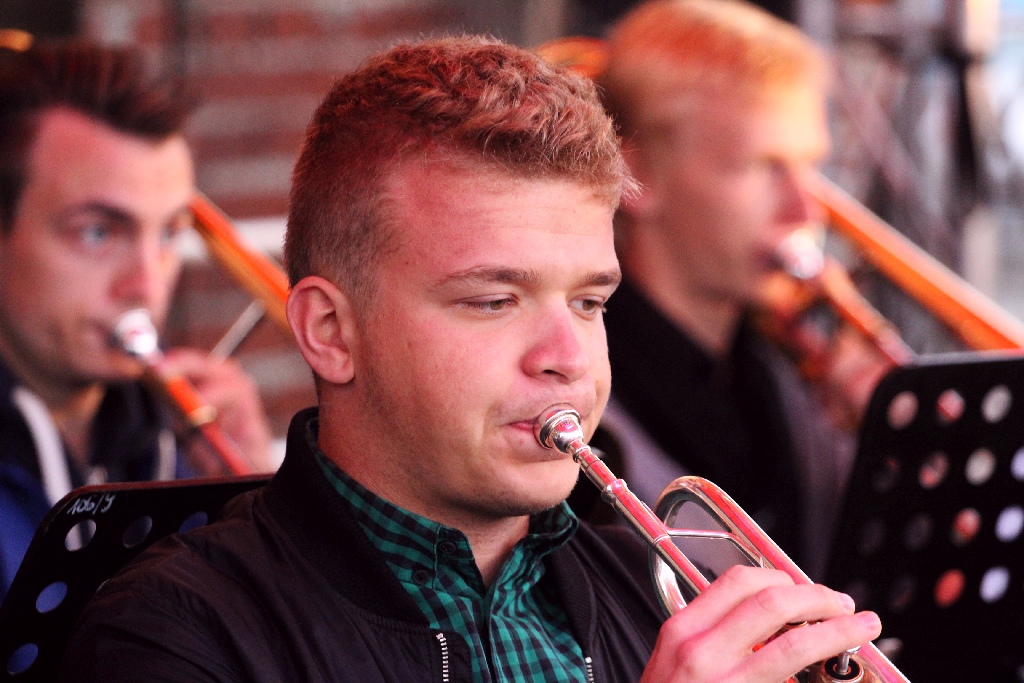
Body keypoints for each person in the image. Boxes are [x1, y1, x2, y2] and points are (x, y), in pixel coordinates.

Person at [62, 36, 881, 682]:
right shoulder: (175, 632)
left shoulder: (658, 591)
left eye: (590, 302)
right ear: (330, 332)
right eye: (493, 300)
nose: (567, 359)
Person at [587, 0, 890, 580]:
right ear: (639, 175)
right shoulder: (590, 392)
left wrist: (880, 454)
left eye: (809, 165)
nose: (806, 209)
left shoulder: (782, 373)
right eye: (760, 166)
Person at [0, 40, 275, 602]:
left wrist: (262, 515)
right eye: (97, 232)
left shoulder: (178, 441)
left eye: (170, 233)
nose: (148, 286)